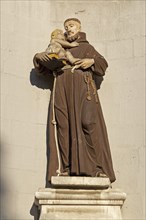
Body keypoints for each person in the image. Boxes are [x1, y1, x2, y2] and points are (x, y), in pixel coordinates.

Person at [33, 18, 116, 183]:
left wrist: (91, 61)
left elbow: (102, 63)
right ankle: (66, 167)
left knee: (88, 122)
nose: (68, 29)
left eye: (71, 26)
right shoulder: (59, 47)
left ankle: (97, 168)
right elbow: (42, 65)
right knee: (64, 126)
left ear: (79, 27)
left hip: (83, 89)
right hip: (62, 88)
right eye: (66, 27)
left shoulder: (86, 47)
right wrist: (40, 57)